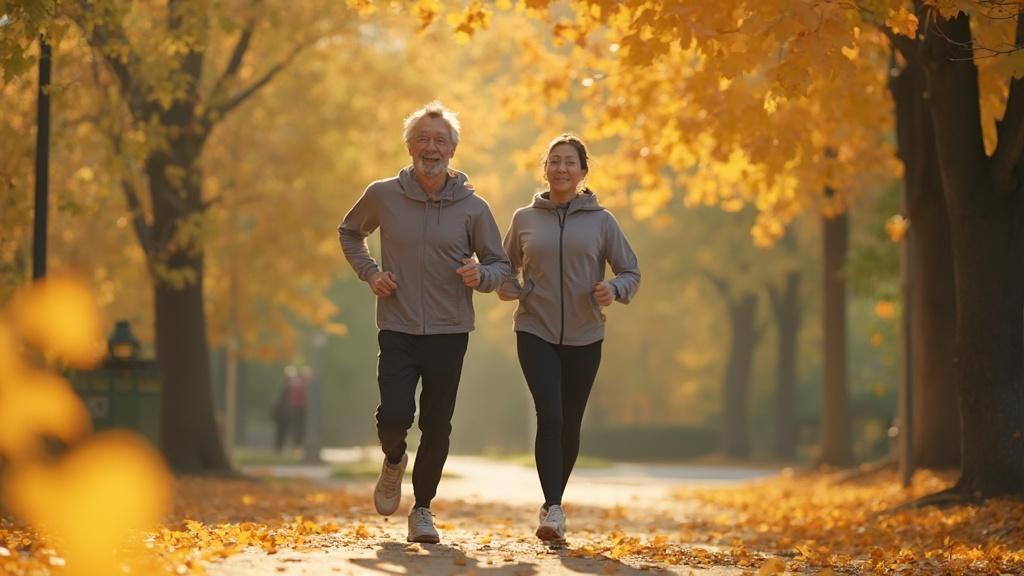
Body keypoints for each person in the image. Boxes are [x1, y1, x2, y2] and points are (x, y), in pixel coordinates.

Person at [338, 101, 510, 544]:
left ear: (453, 149)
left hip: (450, 330)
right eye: (423, 139)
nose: (431, 147)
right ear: (409, 145)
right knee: (394, 416)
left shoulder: (473, 207)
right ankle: (394, 459)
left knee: (437, 423)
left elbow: (500, 265)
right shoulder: (383, 194)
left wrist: (482, 275)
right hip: (397, 325)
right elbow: (350, 231)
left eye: (440, 140)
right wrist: (372, 273)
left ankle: (423, 511)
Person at [499, 134, 640, 543]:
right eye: (554, 161)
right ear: (545, 169)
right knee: (551, 414)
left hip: (585, 333)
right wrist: (510, 287)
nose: (561, 168)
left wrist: (613, 290)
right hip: (534, 328)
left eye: (569, 162)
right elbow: (503, 267)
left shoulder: (602, 221)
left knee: (570, 421)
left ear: (582, 172)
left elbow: (630, 271)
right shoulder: (524, 219)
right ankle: (554, 507)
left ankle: (553, 503)